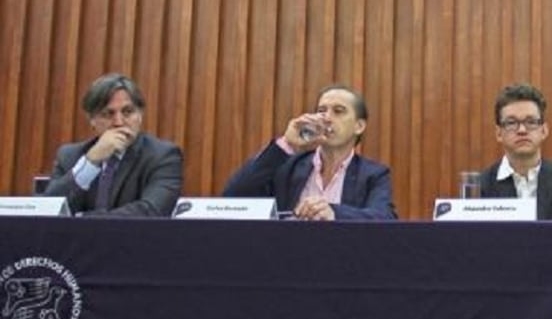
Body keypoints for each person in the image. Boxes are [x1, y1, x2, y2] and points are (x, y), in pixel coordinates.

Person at [223, 84, 397, 220]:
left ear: (359, 126)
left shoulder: (373, 174)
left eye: (338, 111)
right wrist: (287, 143)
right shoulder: (289, 166)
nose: (326, 118)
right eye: (321, 111)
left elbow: (385, 218)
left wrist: (333, 213)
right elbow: (233, 196)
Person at [44, 73, 183, 216]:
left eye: (127, 112)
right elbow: (49, 210)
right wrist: (90, 162)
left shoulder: (163, 156)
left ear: (140, 115)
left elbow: (151, 211)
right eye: (108, 114)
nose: (119, 122)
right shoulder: (69, 156)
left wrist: (84, 219)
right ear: (92, 119)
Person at [478, 83, 552, 219]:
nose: (522, 130)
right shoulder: (480, 186)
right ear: (498, 133)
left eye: (530, 122)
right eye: (511, 123)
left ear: (544, 130)